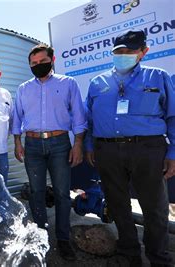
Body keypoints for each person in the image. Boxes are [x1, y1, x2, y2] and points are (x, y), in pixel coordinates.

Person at [85, 29, 174, 266]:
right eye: (118, 51)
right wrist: (90, 146)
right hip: (107, 151)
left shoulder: (158, 77)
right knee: (117, 203)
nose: (123, 55)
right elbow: (90, 120)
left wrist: (173, 153)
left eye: (129, 51)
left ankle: (159, 258)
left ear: (143, 52)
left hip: (147, 149)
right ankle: (129, 253)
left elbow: (172, 117)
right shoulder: (98, 82)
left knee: (154, 208)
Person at [12, 44, 87, 261]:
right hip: (33, 146)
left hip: (60, 143)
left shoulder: (68, 84)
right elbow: (17, 117)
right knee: (36, 192)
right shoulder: (23, 89)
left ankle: (63, 239)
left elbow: (79, 117)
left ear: (52, 60)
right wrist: (17, 142)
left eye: (42, 62)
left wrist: (78, 144)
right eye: (33, 64)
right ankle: (41, 236)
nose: (38, 66)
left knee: (63, 193)